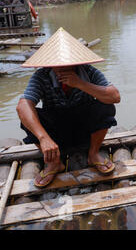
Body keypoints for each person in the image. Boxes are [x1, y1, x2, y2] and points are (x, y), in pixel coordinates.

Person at [17, 27, 121, 188]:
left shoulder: (88, 72)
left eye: (66, 63)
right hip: (56, 136)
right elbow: (23, 105)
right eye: (56, 64)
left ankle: (93, 154)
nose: (61, 67)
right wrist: (44, 138)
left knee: (104, 105)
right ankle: (54, 163)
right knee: (28, 117)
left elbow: (115, 96)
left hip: (84, 131)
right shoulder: (41, 76)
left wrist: (80, 83)